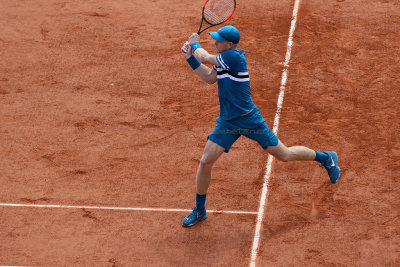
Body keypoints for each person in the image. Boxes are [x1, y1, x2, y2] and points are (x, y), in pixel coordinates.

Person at [180, 25, 340, 227]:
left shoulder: (233, 57)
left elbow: (204, 56)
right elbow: (210, 78)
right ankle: (200, 210)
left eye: (218, 40)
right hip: (228, 121)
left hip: (249, 120)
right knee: (205, 162)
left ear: (230, 44)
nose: (215, 42)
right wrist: (189, 58)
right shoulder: (223, 58)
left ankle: (326, 158)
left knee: (285, 154)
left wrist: (194, 43)